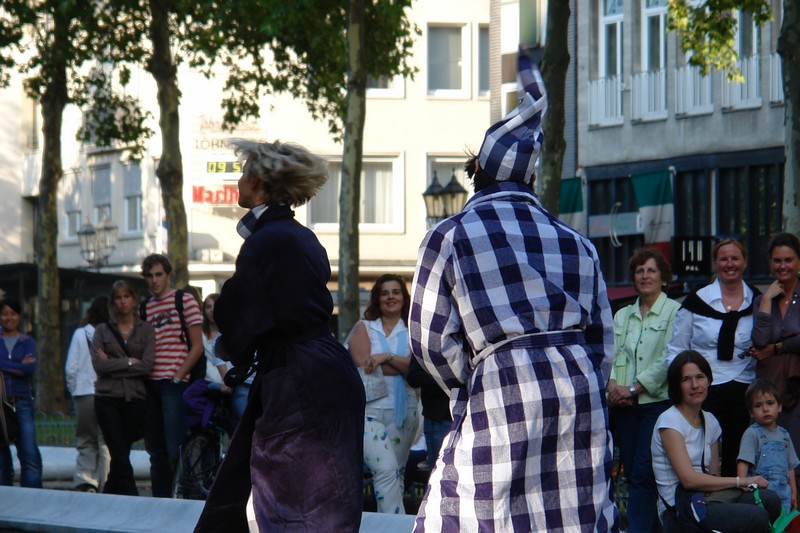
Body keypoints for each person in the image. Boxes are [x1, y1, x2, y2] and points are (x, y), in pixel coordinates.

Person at [409, 47, 618, 532]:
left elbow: (430, 340)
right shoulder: (577, 242)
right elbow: (602, 342)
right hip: (576, 388)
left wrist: (476, 375)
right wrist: (578, 375)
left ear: (477, 174)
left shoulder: (450, 235)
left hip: (501, 383)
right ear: (531, 177)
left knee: (478, 509)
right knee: (572, 509)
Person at [194, 139, 365, 532]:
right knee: (327, 503)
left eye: (242, 174)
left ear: (256, 181)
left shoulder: (266, 241)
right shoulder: (301, 236)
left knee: (293, 506)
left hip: (298, 380)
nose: (238, 181)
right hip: (324, 370)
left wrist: (232, 344)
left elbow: (238, 310)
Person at [652, 350, 780, 532]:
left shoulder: (710, 421)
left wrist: (739, 485)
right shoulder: (669, 421)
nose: (695, 385)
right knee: (756, 517)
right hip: (679, 509)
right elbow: (688, 480)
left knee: (770, 500)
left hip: (707, 498)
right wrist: (742, 481)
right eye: (686, 379)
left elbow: (714, 475)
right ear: (676, 385)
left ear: (709, 380)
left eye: (700, 377)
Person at [666, 237, 757, 477]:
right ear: (715, 263)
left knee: (740, 455)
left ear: (745, 262)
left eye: (735, 258)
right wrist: (683, 385)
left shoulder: (757, 301)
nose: (730, 264)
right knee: (704, 454)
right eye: (723, 259)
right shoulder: (696, 301)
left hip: (744, 387)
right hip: (704, 389)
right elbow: (676, 349)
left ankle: (737, 497)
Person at [607, 248, 680, 533]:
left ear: (663, 277)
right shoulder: (622, 315)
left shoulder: (674, 311)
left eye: (651, 270)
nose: (645, 276)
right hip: (623, 405)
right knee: (631, 470)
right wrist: (614, 386)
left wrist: (633, 389)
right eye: (640, 271)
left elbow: (669, 358)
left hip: (655, 404)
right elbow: (611, 355)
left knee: (643, 471)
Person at [347, 274, 420, 514]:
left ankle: (390, 523)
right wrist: (402, 364)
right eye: (384, 293)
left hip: (405, 413)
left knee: (397, 474)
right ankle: (395, 526)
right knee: (385, 470)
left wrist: (384, 357)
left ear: (404, 297)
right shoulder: (364, 327)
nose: (390, 297)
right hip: (370, 412)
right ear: (377, 298)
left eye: (395, 292)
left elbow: (418, 369)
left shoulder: (413, 330)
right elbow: (364, 365)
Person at [139, 253, 204, 497]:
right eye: (149, 276)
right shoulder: (144, 307)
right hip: (150, 383)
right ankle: (160, 500)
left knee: (174, 447)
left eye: (159, 275)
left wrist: (178, 376)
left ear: (168, 275)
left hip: (173, 383)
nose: (154, 280)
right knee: (155, 450)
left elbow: (197, 346)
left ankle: (179, 497)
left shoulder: (183, 300)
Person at [91, 280, 155, 496]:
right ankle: (133, 497)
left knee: (121, 451)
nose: (122, 301)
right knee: (118, 451)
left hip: (135, 398)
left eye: (126, 296)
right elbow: (99, 365)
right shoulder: (102, 330)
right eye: (118, 297)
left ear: (134, 299)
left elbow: (147, 365)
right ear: (113, 302)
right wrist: (129, 362)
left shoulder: (146, 329)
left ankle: (109, 494)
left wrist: (113, 363)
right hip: (107, 398)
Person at [751, 232, 800, 471]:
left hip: (798, 386)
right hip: (771, 391)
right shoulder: (762, 300)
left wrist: (778, 347)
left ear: (798, 261)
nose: (783, 266)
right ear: (770, 263)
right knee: (773, 463)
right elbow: (760, 340)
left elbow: (769, 346)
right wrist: (767, 300)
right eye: (777, 260)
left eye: (788, 260)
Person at [65, 296, 111, 493]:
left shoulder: (80, 334)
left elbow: (71, 368)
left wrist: (74, 390)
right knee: (105, 441)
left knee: (85, 439)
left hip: (83, 393)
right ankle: (106, 480)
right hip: (106, 393)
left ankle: (86, 480)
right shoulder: (111, 334)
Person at [737, 378, 799, 512]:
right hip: (761, 496)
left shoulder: (785, 435)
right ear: (751, 412)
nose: (765, 409)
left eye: (770, 403)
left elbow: (790, 467)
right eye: (758, 405)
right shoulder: (752, 434)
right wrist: (743, 486)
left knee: (783, 523)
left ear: (779, 406)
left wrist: (793, 492)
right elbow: (743, 462)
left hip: (784, 495)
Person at [0, 298, 42, 487]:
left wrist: (3, 365)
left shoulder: (27, 341)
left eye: (13, 314)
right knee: (1, 454)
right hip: (0, 403)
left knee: (29, 451)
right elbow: (22, 368)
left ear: (19, 316)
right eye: (4, 314)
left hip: (22, 401)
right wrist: (18, 365)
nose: (9, 318)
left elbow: (29, 369)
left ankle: (33, 495)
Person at [406, 355, 451, 474]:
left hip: (467, 412)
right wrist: (444, 375)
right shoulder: (423, 345)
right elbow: (413, 377)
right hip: (439, 415)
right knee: (439, 472)